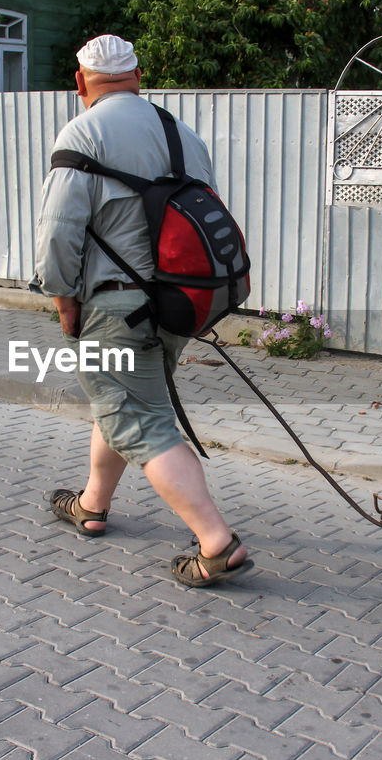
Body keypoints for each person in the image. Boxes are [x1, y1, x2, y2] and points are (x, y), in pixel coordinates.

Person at [35, 34, 253, 588]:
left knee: (141, 419)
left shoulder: (83, 131)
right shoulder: (183, 134)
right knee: (125, 404)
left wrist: (63, 300)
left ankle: (216, 542)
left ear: (81, 82)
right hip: (176, 303)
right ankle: (92, 504)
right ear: (137, 76)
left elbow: (59, 233)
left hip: (114, 307)